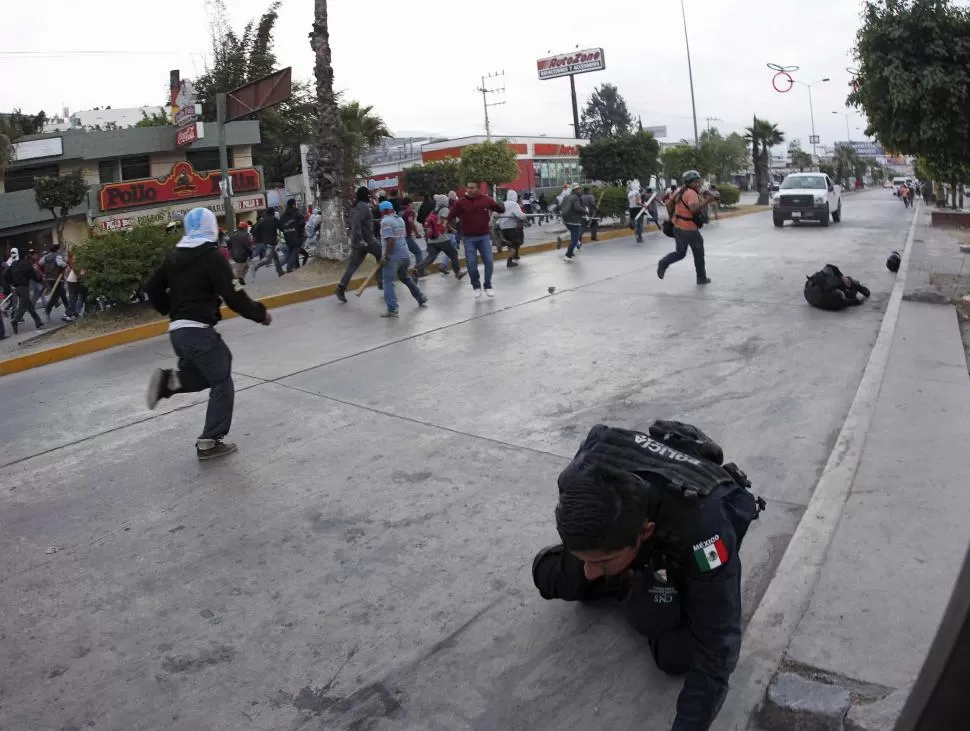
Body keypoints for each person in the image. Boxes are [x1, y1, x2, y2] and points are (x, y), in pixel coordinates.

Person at [531, 422, 763, 731]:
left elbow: (718, 650)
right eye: (586, 558)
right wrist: (595, 555)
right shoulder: (578, 475)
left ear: (646, 533)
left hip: (674, 549)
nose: (590, 570)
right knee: (548, 576)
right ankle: (621, 579)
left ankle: (636, 587)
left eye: (601, 561)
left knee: (676, 655)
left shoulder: (706, 533)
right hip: (628, 534)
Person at [145, 207, 272, 460]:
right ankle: (210, 441)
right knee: (222, 377)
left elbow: (152, 286)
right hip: (198, 332)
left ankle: (171, 382)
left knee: (205, 375)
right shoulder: (212, 257)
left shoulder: (175, 256)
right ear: (211, 227)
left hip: (178, 333)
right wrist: (260, 314)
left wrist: (168, 309)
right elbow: (233, 294)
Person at [658, 171, 717, 284]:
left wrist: (673, 217)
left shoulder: (680, 191)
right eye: (695, 182)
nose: (698, 184)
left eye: (698, 181)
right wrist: (707, 201)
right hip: (689, 229)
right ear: (689, 183)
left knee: (680, 253)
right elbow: (693, 209)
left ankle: (664, 262)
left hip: (678, 227)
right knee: (699, 252)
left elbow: (669, 204)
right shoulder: (691, 193)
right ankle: (701, 277)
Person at [448, 182, 505, 298]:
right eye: (468, 187)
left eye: (472, 188)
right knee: (471, 264)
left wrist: (501, 206)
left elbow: (499, 210)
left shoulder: (486, 200)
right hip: (469, 238)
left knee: (489, 262)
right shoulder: (461, 203)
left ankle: (488, 286)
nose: (469, 190)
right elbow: (450, 216)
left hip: (484, 237)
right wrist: (448, 226)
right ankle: (476, 286)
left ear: (478, 189)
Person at [378, 201, 427, 317]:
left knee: (387, 281)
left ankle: (392, 308)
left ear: (383, 211)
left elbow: (391, 240)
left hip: (393, 257)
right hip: (405, 255)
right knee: (404, 277)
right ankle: (420, 297)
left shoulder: (385, 222)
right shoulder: (399, 219)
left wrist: (386, 256)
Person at [336, 186, 385, 303]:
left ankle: (341, 287)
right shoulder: (363, 206)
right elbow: (357, 224)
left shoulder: (357, 206)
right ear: (365, 195)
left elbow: (361, 222)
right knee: (383, 254)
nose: (369, 197)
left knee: (353, 266)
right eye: (368, 195)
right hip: (366, 240)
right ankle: (381, 281)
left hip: (359, 241)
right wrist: (361, 239)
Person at [415, 194, 465, 279]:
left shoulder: (434, 210)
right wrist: (450, 230)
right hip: (441, 238)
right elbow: (443, 222)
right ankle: (458, 273)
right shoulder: (445, 209)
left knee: (431, 257)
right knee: (453, 253)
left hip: (431, 239)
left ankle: (417, 269)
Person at [803, 264, 871, 311]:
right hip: (813, 292)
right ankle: (853, 286)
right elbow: (848, 302)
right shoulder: (837, 299)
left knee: (848, 284)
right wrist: (858, 301)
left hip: (811, 289)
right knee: (850, 287)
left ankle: (853, 285)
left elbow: (829, 266)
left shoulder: (828, 282)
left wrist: (842, 276)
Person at [9, 249, 45, 334]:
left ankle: (38, 321)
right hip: (23, 288)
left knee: (29, 306)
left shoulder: (14, 264)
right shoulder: (27, 264)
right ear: (25, 256)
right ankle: (15, 321)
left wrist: (11, 283)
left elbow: (6, 274)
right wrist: (40, 279)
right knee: (24, 305)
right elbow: (33, 276)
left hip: (15, 288)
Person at [41, 243, 77, 322]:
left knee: (61, 295)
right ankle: (49, 310)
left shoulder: (45, 256)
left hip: (49, 279)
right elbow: (61, 264)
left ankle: (71, 313)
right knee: (58, 296)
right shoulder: (57, 256)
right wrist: (65, 265)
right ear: (57, 249)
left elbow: (40, 263)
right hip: (57, 279)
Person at [497, 190, 527, 267]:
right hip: (511, 227)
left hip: (503, 227)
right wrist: (525, 215)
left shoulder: (503, 203)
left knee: (510, 244)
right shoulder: (514, 204)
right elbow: (520, 215)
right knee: (516, 243)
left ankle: (504, 242)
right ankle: (509, 260)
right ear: (515, 196)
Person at [252, 208, 284, 277]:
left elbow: (254, 232)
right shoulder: (274, 219)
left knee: (275, 257)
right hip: (271, 242)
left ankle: (280, 272)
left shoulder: (262, 221)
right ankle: (256, 266)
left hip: (265, 242)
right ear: (272, 212)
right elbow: (281, 228)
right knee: (267, 259)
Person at [560, 183, 587, 262]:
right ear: (576, 190)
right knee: (574, 240)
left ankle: (571, 251)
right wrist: (585, 211)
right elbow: (577, 208)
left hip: (566, 220)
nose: (580, 190)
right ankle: (568, 255)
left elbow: (561, 206)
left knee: (573, 237)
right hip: (574, 221)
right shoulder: (576, 197)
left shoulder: (566, 197)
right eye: (579, 189)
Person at [279, 199, 306, 272]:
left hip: (288, 238)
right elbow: (302, 223)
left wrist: (287, 230)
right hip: (297, 237)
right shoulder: (297, 214)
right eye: (295, 204)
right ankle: (289, 267)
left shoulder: (282, 216)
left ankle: (297, 268)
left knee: (294, 253)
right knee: (295, 253)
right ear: (293, 205)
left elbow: (281, 227)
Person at [400, 197, 425, 266]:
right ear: (409, 204)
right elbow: (410, 221)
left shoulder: (400, 211)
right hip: (407, 236)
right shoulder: (409, 211)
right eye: (412, 203)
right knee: (418, 252)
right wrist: (417, 233)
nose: (413, 205)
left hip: (399, 237)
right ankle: (419, 269)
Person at [229, 221, 253, 286]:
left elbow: (229, 244)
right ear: (245, 228)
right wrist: (251, 253)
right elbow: (247, 246)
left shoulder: (234, 235)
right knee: (238, 272)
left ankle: (240, 279)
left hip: (235, 254)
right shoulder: (246, 235)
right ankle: (234, 285)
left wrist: (232, 251)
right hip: (241, 255)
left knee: (246, 266)